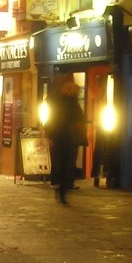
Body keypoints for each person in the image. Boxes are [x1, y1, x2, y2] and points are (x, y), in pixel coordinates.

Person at [44, 74, 85, 205]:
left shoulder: (60, 99)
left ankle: (63, 187)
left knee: (65, 162)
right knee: (66, 162)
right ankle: (63, 188)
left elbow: (52, 118)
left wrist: (50, 133)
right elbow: (77, 116)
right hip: (65, 135)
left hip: (65, 135)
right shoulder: (67, 100)